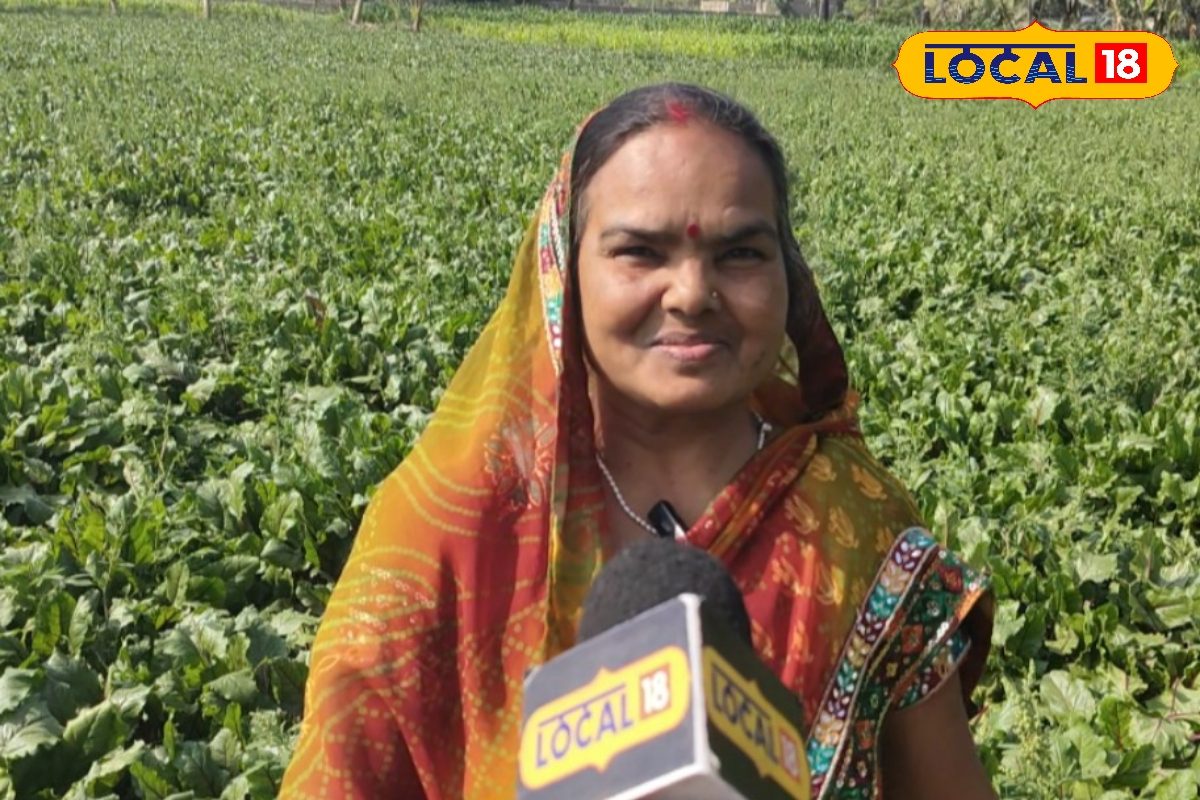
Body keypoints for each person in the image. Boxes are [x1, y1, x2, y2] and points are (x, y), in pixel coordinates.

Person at [280, 83, 996, 800]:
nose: (691, 293)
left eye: (740, 254)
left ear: (790, 275)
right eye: (640, 252)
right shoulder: (453, 528)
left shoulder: (854, 524)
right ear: (566, 273)